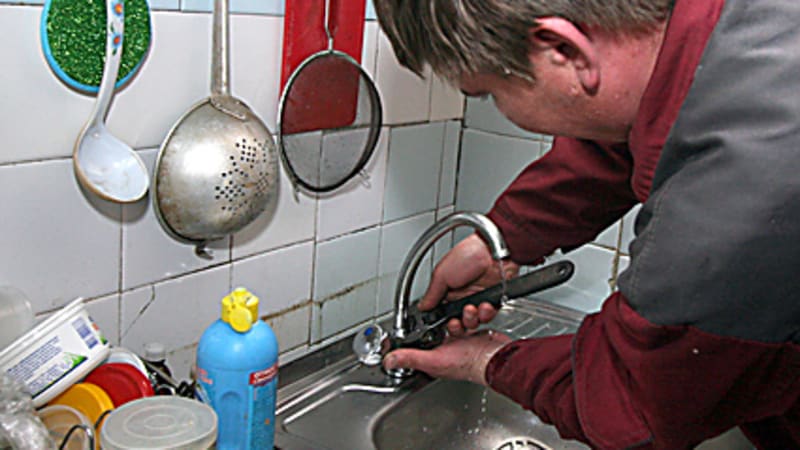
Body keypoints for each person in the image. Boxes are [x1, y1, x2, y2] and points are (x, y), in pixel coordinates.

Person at [373, 0, 800, 449]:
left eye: (488, 93)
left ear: (564, 50)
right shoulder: (726, 35)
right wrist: (503, 239)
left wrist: (485, 360)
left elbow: (636, 402)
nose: (497, 106)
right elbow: (641, 129)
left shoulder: (744, 177)